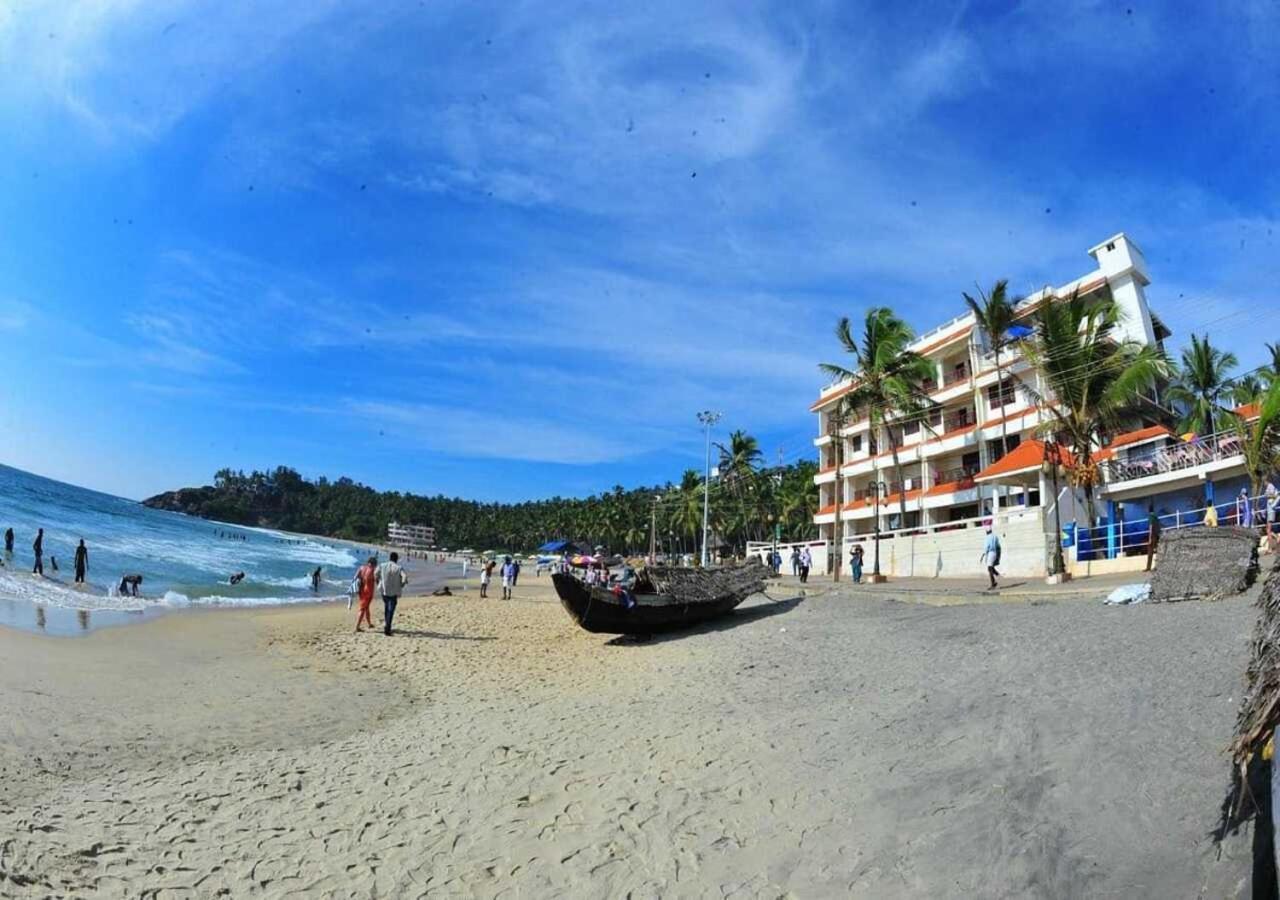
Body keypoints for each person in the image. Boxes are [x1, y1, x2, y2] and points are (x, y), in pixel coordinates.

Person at [375, 552, 407, 635]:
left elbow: (375, 573)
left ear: (390, 558)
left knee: (387, 606)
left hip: (384, 590)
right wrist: (402, 584)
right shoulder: (399, 568)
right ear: (396, 559)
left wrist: (378, 581)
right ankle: (388, 627)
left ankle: (387, 624)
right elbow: (404, 577)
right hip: (394, 591)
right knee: (391, 609)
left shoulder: (382, 565)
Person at [354, 556, 376, 631]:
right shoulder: (373, 570)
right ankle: (357, 627)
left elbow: (355, 578)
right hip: (368, 591)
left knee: (366, 607)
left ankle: (369, 623)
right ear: (374, 564)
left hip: (361, 590)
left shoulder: (361, 568)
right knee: (362, 609)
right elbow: (377, 579)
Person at [1145, 506, 1162, 572]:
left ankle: (1148, 567)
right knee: (1158, 551)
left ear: (1148, 511)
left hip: (1153, 536)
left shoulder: (1150, 517)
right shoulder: (1156, 517)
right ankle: (1157, 567)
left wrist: (1149, 538)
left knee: (1150, 552)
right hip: (1157, 535)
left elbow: (1150, 527)